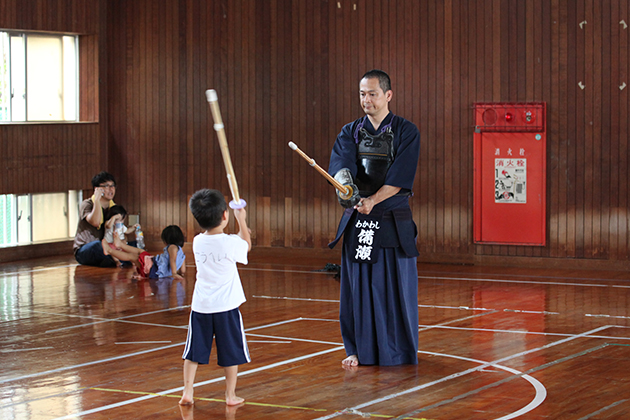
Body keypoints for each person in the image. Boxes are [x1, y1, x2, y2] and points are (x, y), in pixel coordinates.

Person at [328, 69, 421, 367]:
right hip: (359, 219)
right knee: (358, 288)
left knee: (393, 288)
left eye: (372, 94)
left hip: (392, 219)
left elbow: (400, 177)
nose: (366, 100)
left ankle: (398, 352)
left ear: (388, 95)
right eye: (362, 94)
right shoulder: (350, 131)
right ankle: (357, 350)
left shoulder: (407, 131)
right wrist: (347, 188)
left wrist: (373, 200)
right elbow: (341, 166)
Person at [179, 189, 252, 406]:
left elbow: (228, 243)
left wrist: (238, 228)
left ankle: (187, 391)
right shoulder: (230, 242)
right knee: (231, 352)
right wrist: (242, 221)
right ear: (224, 215)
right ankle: (230, 395)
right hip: (226, 308)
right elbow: (245, 246)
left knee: (193, 352)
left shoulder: (197, 241)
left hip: (201, 307)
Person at [104, 225, 187, 280]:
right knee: (141, 251)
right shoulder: (182, 252)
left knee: (132, 257)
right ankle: (120, 245)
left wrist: (174, 273)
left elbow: (173, 260)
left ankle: (109, 251)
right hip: (155, 269)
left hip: (154, 268)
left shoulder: (172, 247)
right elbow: (183, 270)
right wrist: (179, 274)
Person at [74, 172, 119, 267]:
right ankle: (112, 259)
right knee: (97, 246)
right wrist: (97, 200)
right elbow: (95, 221)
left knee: (132, 245)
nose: (111, 189)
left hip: (107, 246)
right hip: (85, 249)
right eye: (106, 186)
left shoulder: (114, 207)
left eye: (112, 186)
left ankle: (109, 260)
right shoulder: (87, 204)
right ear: (97, 189)